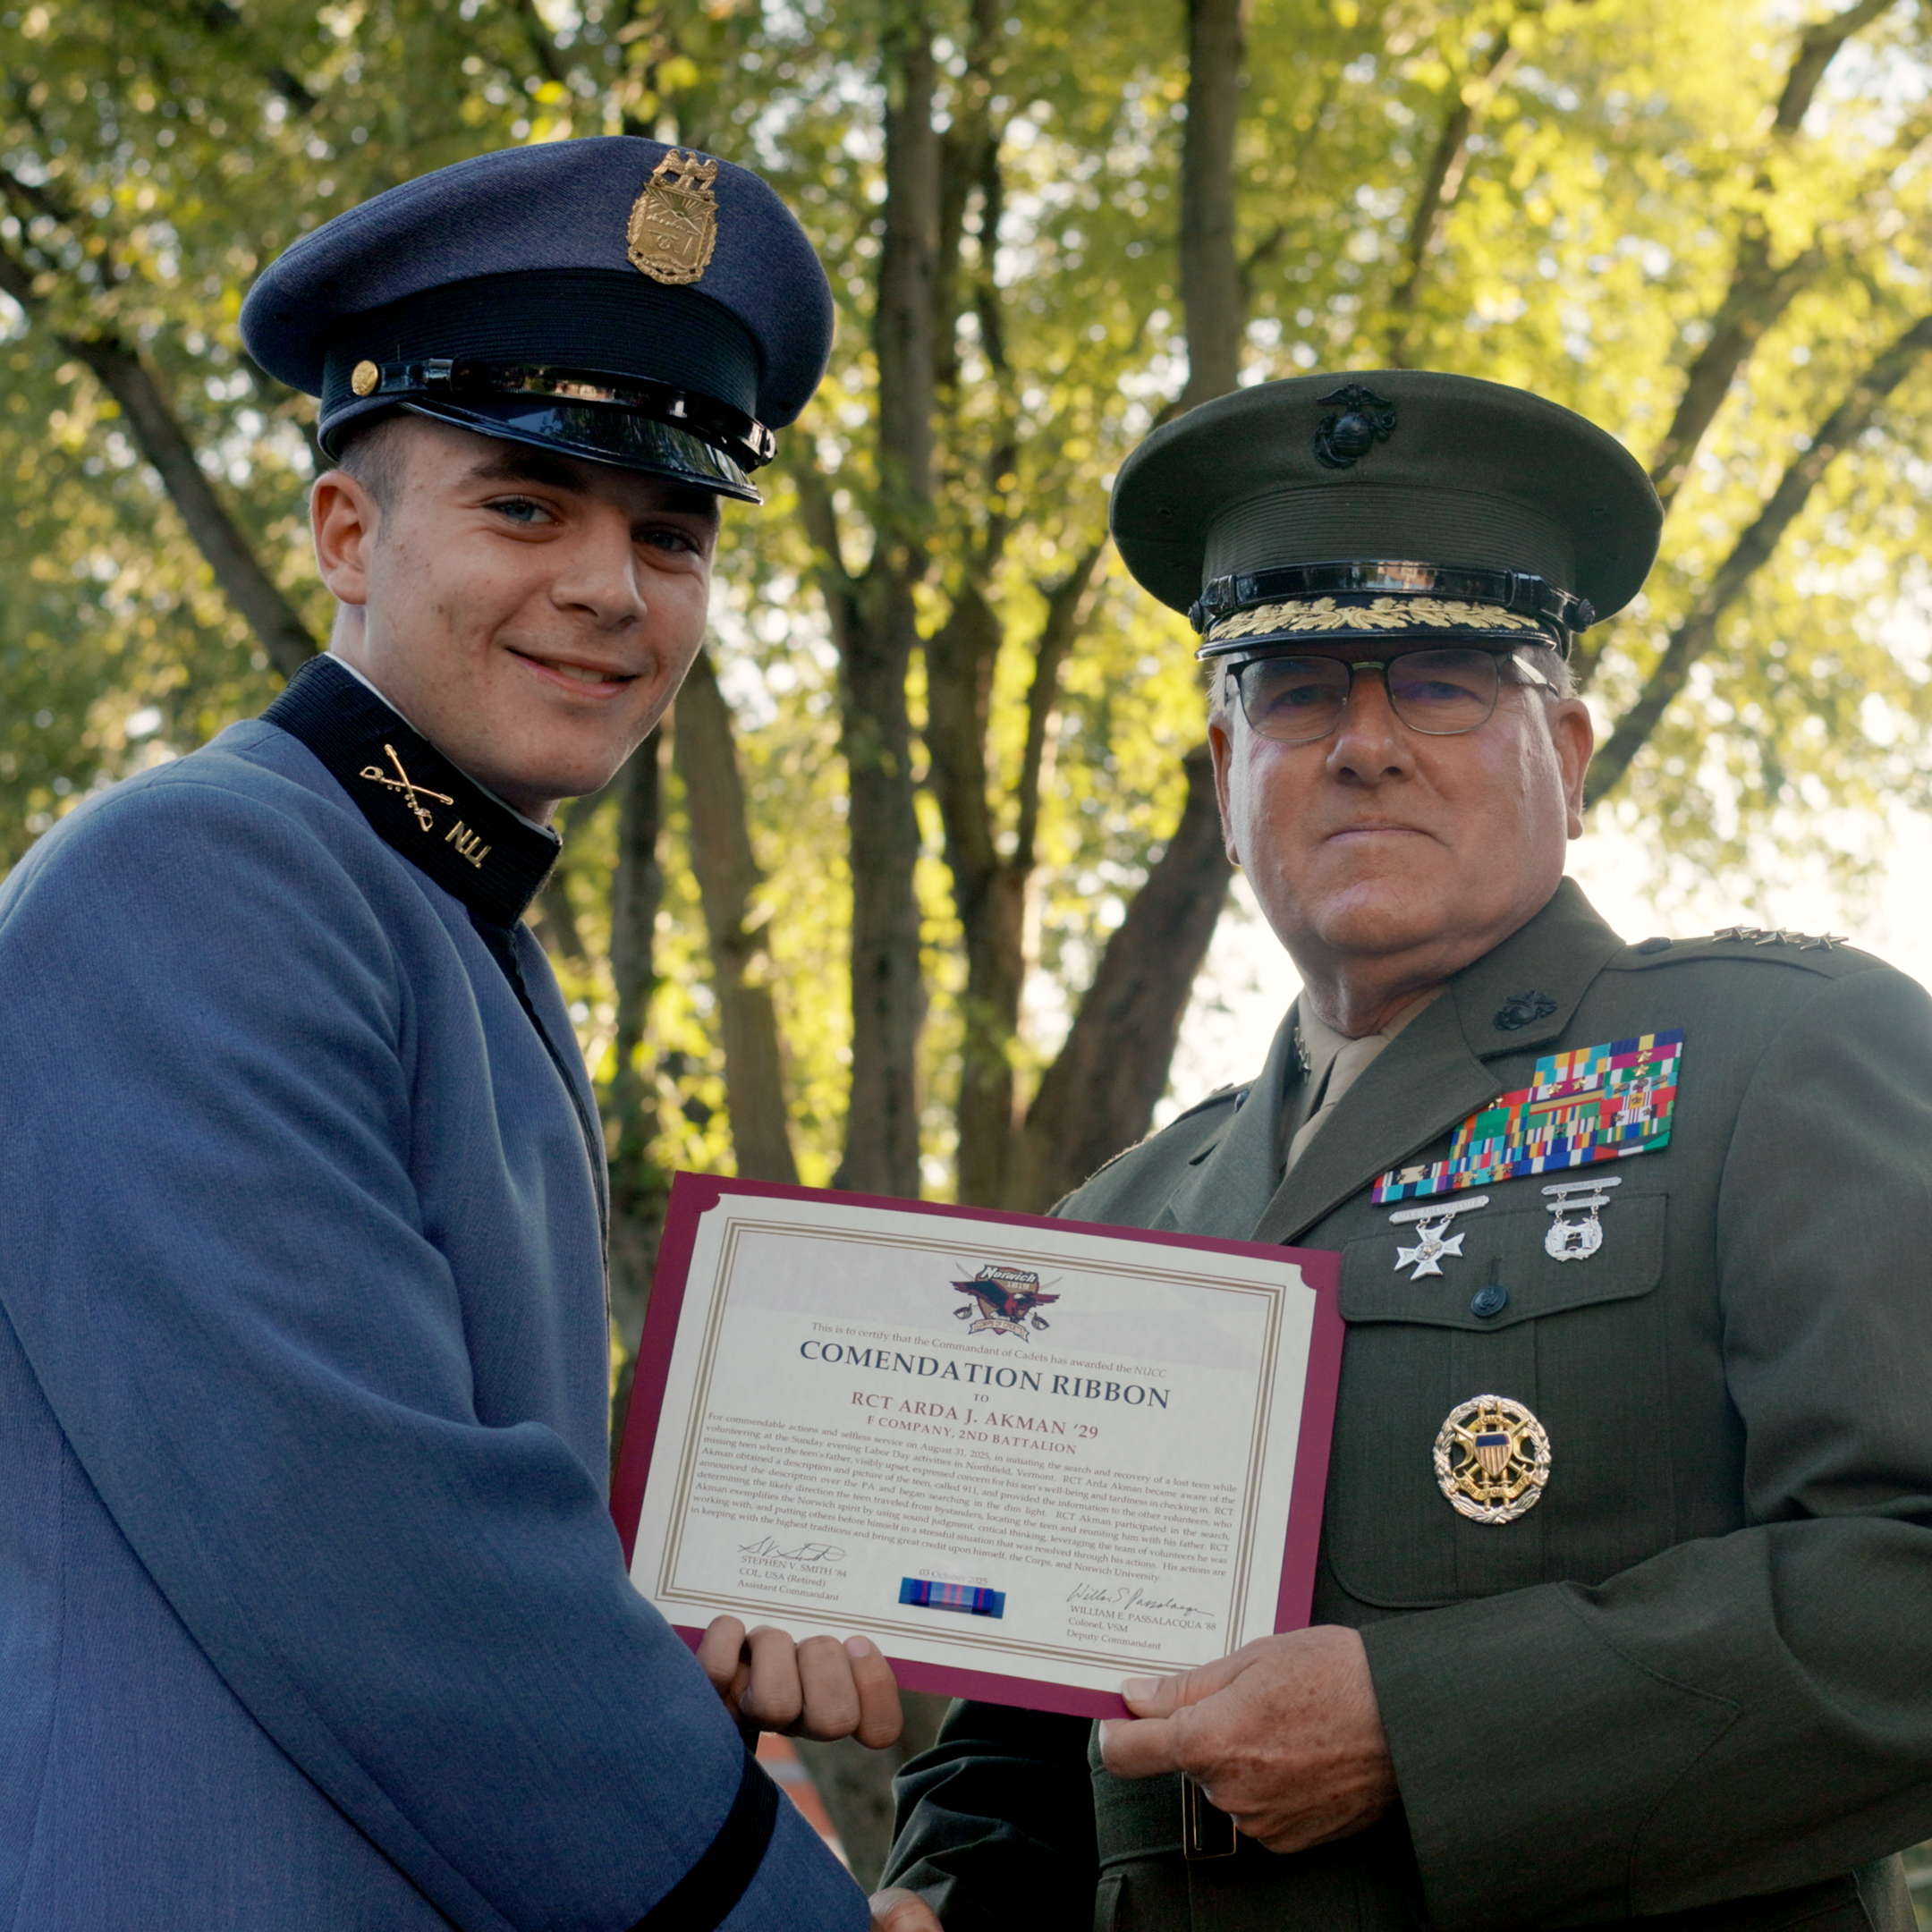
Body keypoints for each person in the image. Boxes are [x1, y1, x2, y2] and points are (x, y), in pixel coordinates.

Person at [874, 370, 1932, 1931]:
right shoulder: (1124, 1207)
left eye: (1442, 681)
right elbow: (1018, 1747)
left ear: (1565, 756)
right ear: (1225, 776)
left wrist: (1425, 1729)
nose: (1363, 745)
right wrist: (948, 1898)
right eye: (1294, 691)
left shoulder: (1780, 1056)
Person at [0, 138, 917, 1931]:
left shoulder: (443, 915)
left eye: (671, 534)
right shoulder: (196, 877)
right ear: (348, 529)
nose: (608, 587)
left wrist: (675, 1650)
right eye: (524, 504)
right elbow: (373, 1561)